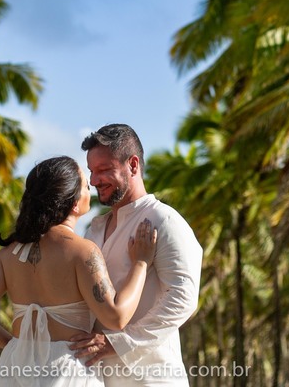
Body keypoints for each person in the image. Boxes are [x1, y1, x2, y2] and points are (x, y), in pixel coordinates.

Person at [0, 156, 159, 387]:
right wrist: (141, 263)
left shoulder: (8, 254)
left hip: (15, 368)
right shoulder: (82, 251)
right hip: (67, 371)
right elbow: (115, 317)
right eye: (86, 185)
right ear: (74, 204)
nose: (91, 188)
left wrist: (12, 344)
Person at [70, 125, 202, 387]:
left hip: (152, 379)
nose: (94, 181)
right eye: (92, 171)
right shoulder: (93, 229)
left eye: (104, 170)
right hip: (98, 379)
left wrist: (119, 344)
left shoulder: (163, 220)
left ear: (132, 165)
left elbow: (184, 298)